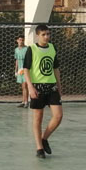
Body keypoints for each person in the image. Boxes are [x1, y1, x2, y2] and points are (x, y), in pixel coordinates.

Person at [23, 24, 63, 159]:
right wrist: (30, 87)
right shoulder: (32, 49)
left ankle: (44, 138)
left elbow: (56, 68)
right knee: (38, 118)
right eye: (43, 34)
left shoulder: (52, 48)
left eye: (48, 34)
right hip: (37, 87)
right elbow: (26, 70)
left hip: (51, 86)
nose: (46, 37)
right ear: (37, 36)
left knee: (58, 116)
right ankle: (39, 148)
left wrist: (59, 85)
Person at [14, 35, 29, 107]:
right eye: (20, 40)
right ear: (17, 40)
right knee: (23, 86)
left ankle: (26, 102)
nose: (21, 41)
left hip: (26, 70)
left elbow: (29, 60)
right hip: (20, 70)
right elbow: (17, 60)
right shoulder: (16, 50)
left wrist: (26, 68)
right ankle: (23, 101)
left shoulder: (27, 49)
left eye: (22, 40)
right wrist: (16, 70)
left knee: (25, 85)